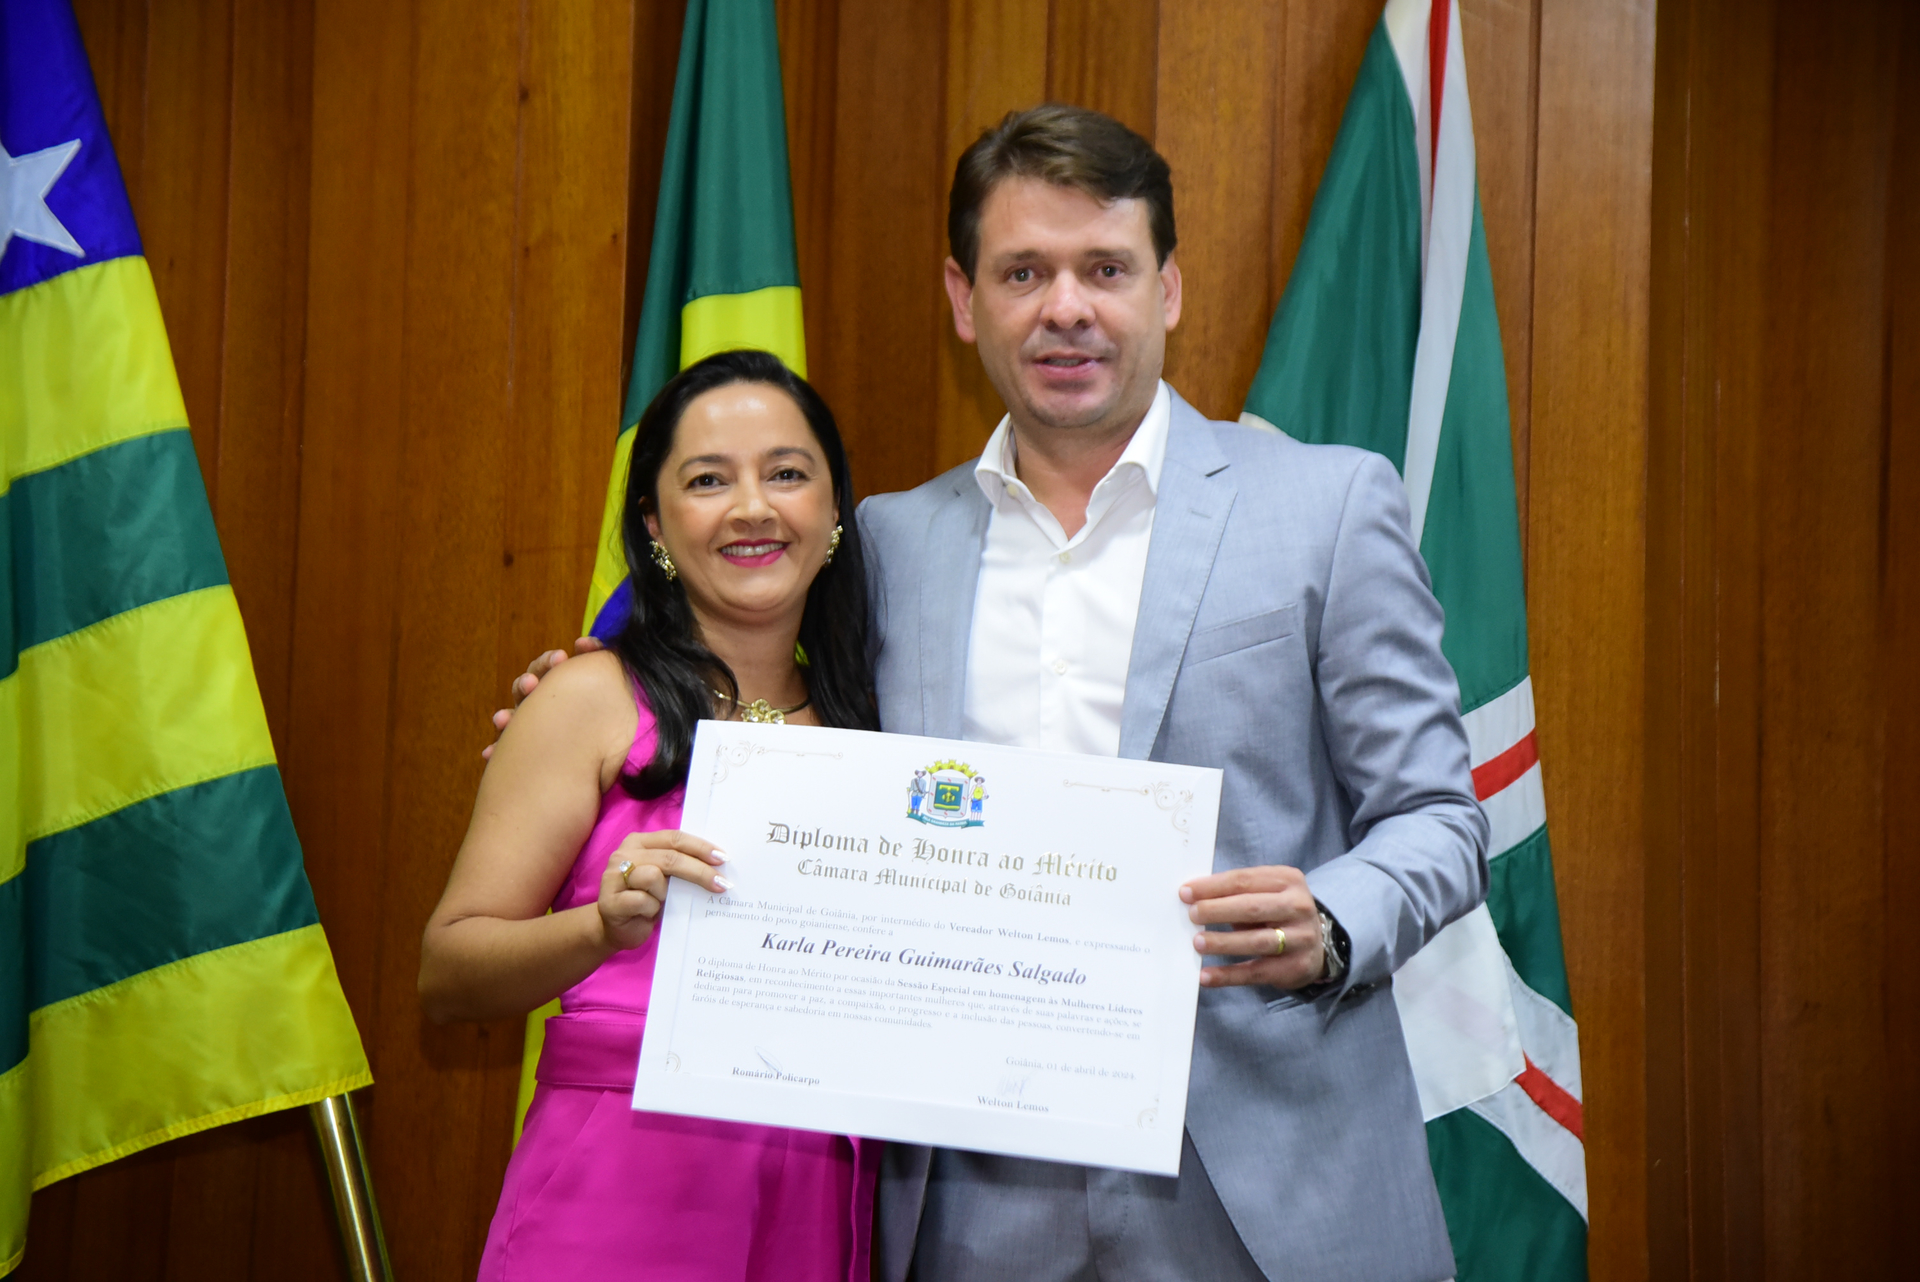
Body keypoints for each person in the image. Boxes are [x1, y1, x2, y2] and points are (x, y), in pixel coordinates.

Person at [506, 106, 1487, 1282]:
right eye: (1024, 271)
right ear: (964, 300)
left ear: (1168, 289)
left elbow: (1440, 817)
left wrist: (1329, 922)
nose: (1066, 307)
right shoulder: (887, 543)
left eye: (1106, 269)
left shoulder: (1327, 506)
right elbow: (746, 679)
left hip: (1270, 1184)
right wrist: (582, 696)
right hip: (972, 1204)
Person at [422, 350, 881, 1282]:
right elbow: (449, 974)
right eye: (708, 480)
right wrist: (599, 927)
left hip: (819, 1187)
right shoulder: (588, 697)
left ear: (834, 510)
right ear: (654, 525)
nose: (752, 508)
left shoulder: (877, 726)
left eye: (787, 474)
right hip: (620, 1181)